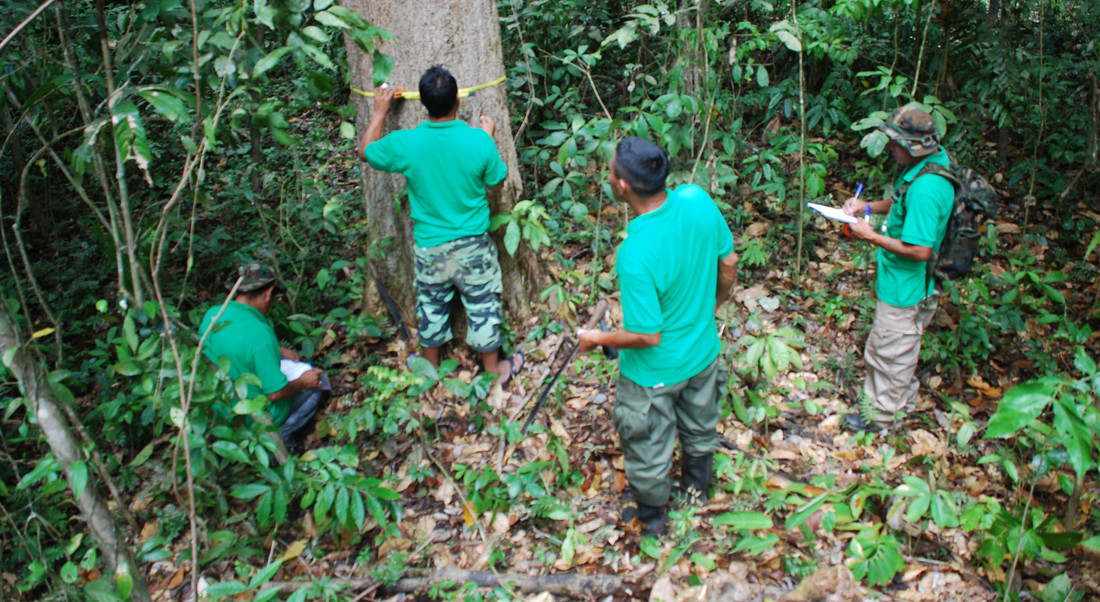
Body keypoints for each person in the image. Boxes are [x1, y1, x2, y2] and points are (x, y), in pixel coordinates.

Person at [577, 136, 738, 536]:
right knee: (700, 424)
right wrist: (708, 309)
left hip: (654, 374)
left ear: (623, 186)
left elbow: (647, 336)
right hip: (702, 352)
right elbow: (729, 262)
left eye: (611, 169)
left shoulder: (636, 251)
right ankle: (696, 489)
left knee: (647, 443)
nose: (608, 173)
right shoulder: (696, 199)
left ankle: (652, 520)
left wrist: (598, 339)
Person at [359, 65, 523, 384]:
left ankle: (428, 368)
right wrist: (486, 138)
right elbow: (497, 181)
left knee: (431, 305)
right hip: (473, 244)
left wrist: (380, 112)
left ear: (422, 104)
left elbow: (366, 151)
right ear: (458, 102)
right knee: (484, 303)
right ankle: (491, 371)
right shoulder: (477, 141)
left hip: (430, 246)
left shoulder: (407, 143)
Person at [841, 105, 955, 433]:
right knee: (899, 348)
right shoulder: (929, 167)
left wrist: (871, 234)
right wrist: (868, 207)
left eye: (895, 143)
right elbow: (903, 203)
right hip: (906, 281)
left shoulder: (927, 187)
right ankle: (897, 407)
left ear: (914, 147)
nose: (890, 148)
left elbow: (920, 250)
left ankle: (881, 420)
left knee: (889, 351)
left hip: (907, 285)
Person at [199, 261, 325, 447]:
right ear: (268, 294)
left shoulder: (214, 314)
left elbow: (234, 346)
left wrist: (276, 350)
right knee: (318, 383)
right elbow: (275, 393)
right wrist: (303, 382)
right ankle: (281, 438)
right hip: (254, 416)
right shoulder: (259, 333)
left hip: (219, 408)